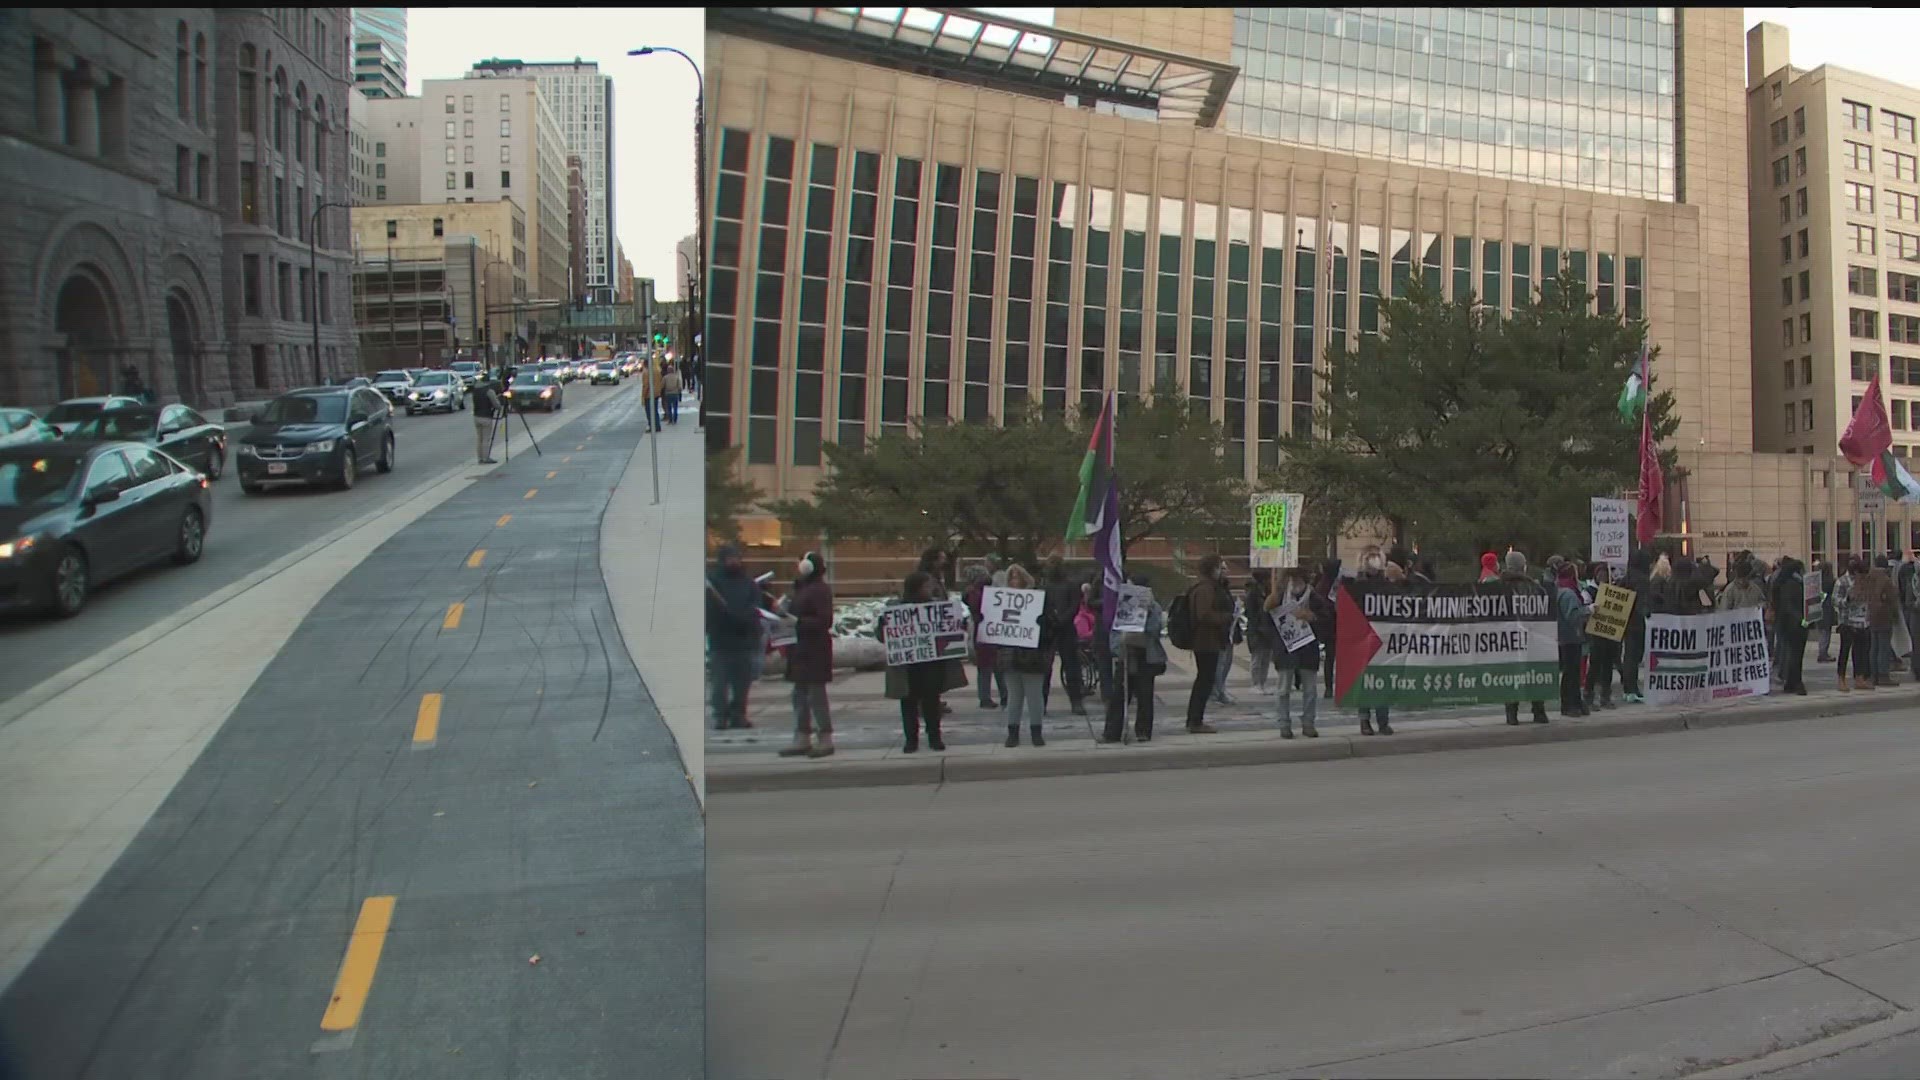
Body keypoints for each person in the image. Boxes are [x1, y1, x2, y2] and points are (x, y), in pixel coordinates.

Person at [877, 571, 948, 752]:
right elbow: (881, 635)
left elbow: (948, 633)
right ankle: (911, 740)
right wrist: (885, 625)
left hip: (930, 663)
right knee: (908, 703)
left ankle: (934, 738)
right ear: (916, 588)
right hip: (907, 665)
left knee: (931, 702)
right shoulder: (896, 609)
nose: (930, 589)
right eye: (926, 586)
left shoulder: (935, 608)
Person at [777, 551, 836, 758]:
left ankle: (825, 737)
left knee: (815, 695)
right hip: (798, 648)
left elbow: (824, 621)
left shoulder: (819, 590)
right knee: (799, 694)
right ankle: (802, 736)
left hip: (815, 649)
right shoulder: (801, 589)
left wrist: (798, 622)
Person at [1101, 573, 1167, 743]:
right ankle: (1112, 732)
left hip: (1145, 656)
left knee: (1145, 696)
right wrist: (1117, 648)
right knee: (1119, 696)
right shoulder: (1123, 605)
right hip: (1126, 655)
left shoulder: (1155, 607)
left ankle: (1143, 731)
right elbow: (1114, 631)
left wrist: (1149, 608)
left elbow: (1155, 630)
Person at [1266, 567, 1330, 738]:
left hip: (1308, 647)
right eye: (1291, 580)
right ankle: (1284, 724)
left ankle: (1308, 722)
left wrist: (1312, 617)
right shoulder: (1279, 596)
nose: (1295, 584)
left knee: (1310, 689)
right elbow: (1265, 616)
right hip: (1285, 648)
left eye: (1298, 580)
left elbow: (1327, 618)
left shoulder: (1314, 596)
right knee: (1283, 688)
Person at [705, 544, 762, 731]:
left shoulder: (748, 583)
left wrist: (744, 619)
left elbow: (755, 607)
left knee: (741, 684)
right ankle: (720, 716)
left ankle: (739, 715)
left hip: (743, 641)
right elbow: (709, 611)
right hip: (720, 642)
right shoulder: (713, 583)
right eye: (730, 558)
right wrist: (724, 616)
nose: (734, 561)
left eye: (737, 557)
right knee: (719, 683)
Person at [998, 564, 1051, 747]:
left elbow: (1050, 627)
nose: (1014, 581)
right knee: (1014, 697)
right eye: (1011, 577)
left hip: (1033, 654)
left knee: (1035, 696)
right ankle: (1013, 733)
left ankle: (1036, 731)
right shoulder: (1001, 600)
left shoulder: (1038, 600)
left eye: (1017, 577)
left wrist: (1041, 624)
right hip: (1009, 654)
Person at [1182, 554, 1234, 734]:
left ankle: (1195, 719)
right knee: (1204, 680)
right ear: (1212, 569)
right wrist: (1226, 617)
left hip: (1209, 640)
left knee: (1205, 680)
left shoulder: (1209, 587)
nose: (1223, 570)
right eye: (1221, 567)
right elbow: (1204, 614)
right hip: (1206, 641)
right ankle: (1195, 720)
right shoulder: (1205, 589)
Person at [1500, 551, 1552, 724]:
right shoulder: (1534, 587)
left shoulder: (1498, 587)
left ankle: (1511, 713)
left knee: (1511, 675)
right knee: (1534, 672)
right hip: (1532, 635)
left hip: (1508, 638)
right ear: (1523, 566)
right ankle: (1539, 711)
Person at [1040, 556, 1089, 716]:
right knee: (1045, 668)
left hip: (1066, 630)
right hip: (1048, 631)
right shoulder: (1044, 586)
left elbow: (1074, 606)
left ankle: (1076, 701)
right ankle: (1041, 703)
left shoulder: (1071, 585)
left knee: (1072, 668)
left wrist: (1061, 621)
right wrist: (1050, 621)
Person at [962, 563, 1006, 709]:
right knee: (993, 667)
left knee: (988, 668)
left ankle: (990, 696)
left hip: (984, 632)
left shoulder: (975, 592)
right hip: (987, 631)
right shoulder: (980, 592)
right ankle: (998, 696)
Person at [1554, 563, 1593, 717]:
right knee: (1572, 673)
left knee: (1570, 673)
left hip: (1562, 637)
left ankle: (1574, 702)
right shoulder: (1569, 594)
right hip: (1571, 637)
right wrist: (1588, 610)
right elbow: (1573, 616)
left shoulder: (1558, 590)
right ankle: (1570, 704)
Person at [1617, 549, 1654, 704]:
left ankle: (1628, 688)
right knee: (1634, 656)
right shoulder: (1643, 580)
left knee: (1629, 656)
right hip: (1637, 623)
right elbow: (1642, 603)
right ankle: (1632, 689)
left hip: (1624, 621)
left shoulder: (1625, 578)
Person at [1583, 561, 1621, 711]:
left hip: (1610, 633)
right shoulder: (1589, 591)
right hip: (1596, 634)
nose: (1603, 577)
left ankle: (1605, 696)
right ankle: (1588, 696)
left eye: (1605, 574)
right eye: (1600, 574)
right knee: (1595, 666)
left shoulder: (1613, 590)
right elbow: (1584, 608)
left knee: (1607, 666)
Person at [1771, 554, 1810, 695]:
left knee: (1792, 654)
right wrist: (1802, 620)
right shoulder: (1792, 584)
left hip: (1787, 623)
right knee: (1795, 655)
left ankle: (1790, 683)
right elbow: (1790, 606)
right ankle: (1795, 682)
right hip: (1794, 625)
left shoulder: (1783, 582)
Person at [1835, 556, 1870, 691]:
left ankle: (1859, 677)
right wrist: (1847, 599)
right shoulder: (1842, 581)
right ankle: (1841, 678)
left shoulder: (1863, 581)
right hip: (1847, 621)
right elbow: (1834, 600)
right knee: (1845, 651)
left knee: (1860, 651)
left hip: (1862, 621)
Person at [1865, 555, 1900, 686]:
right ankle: (1883, 675)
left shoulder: (1869, 578)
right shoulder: (1886, 579)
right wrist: (1895, 616)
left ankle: (1873, 675)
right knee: (1884, 646)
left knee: (1874, 647)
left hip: (1872, 615)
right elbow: (1893, 599)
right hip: (1884, 615)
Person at [1244, 571, 1276, 693]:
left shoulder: (1267, 592)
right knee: (1257, 658)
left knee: (1266, 659)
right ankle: (1255, 683)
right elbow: (1251, 613)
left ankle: (1262, 683)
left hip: (1267, 629)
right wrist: (1258, 625)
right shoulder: (1253, 594)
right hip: (1257, 630)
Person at [1212, 568, 1240, 706]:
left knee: (1226, 662)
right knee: (1219, 664)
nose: (1226, 571)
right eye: (1222, 568)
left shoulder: (1224, 588)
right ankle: (1217, 692)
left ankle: (1220, 689)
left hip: (1228, 631)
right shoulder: (1212, 589)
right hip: (1218, 633)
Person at [470, 372, 502, 464]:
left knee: (479, 438)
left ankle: (480, 458)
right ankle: (486, 458)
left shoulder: (475, 390)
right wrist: (499, 403)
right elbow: (496, 405)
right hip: (486, 416)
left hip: (476, 416)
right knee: (486, 439)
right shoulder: (489, 391)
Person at [1814, 557, 1836, 662]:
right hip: (1826, 608)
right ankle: (1823, 653)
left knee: (1821, 631)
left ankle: (1822, 651)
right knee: (1826, 631)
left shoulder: (1816, 581)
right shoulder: (1829, 581)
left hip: (1818, 607)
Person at [662, 361, 684, 425]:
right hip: (675, 393)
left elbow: (662, 385)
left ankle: (670, 420)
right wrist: (679, 392)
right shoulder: (676, 377)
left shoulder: (665, 377)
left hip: (668, 394)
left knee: (669, 408)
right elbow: (680, 386)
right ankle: (675, 419)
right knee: (675, 407)